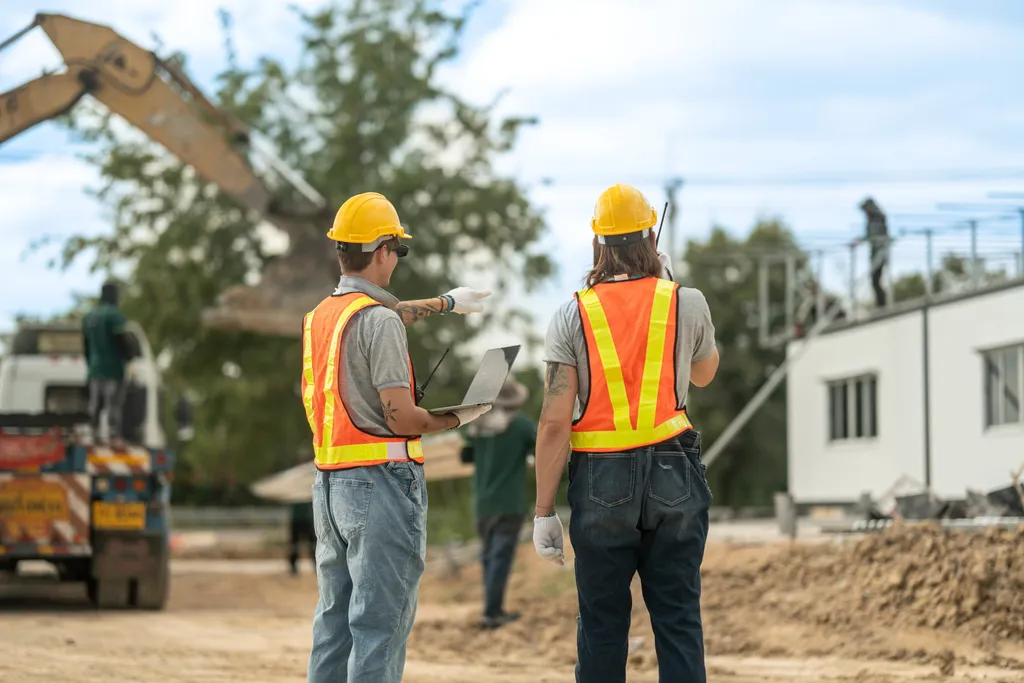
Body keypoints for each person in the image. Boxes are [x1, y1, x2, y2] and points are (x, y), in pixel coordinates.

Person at [531, 183, 720, 683]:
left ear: (598, 244)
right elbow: (704, 374)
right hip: (674, 470)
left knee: (602, 626)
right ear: (651, 239)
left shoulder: (573, 313)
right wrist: (675, 288)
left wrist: (543, 511)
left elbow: (554, 422)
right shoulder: (686, 301)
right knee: (678, 620)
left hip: (600, 480)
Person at [303, 191, 493, 683]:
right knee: (379, 627)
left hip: (329, 486)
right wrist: (458, 418)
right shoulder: (378, 321)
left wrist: (448, 303)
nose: (397, 260)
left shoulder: (323, 316)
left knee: (333, 626)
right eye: (397, 250)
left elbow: (384, 313)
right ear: (384, 249)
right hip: (381, 487)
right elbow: (404, 418)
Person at [458, 376, 537, 630]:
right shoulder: (522, 426)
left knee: (489, 557)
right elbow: (542, 449)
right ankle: (492, 613)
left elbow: (465, 456)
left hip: (482, 504)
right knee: (500, 558)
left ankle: (493, 608)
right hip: (509, 503)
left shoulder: (477, 428)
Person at [81, 281, 135, 445]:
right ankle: (113, 435)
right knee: (113, 404)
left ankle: (92, 432)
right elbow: (121, 339)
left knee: (95, 404)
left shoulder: (89, 317)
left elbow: (86, 346)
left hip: (95, 369)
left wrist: (90, 365)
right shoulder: (114, 315)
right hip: (113, 368)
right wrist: (129, 358)